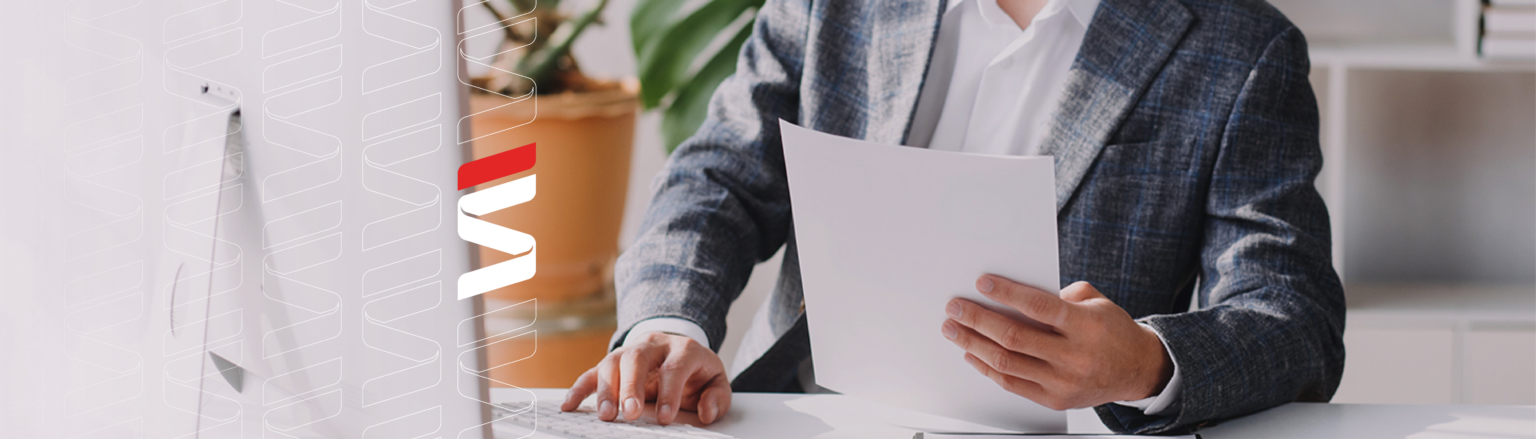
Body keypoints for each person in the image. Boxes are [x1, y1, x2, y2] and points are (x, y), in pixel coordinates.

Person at [562, 0, 1346, 434]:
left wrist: (1144, 363)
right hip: (804, 419)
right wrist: (669, 324)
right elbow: (718, 177)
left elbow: (1295, 320)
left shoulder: (1242, 48)